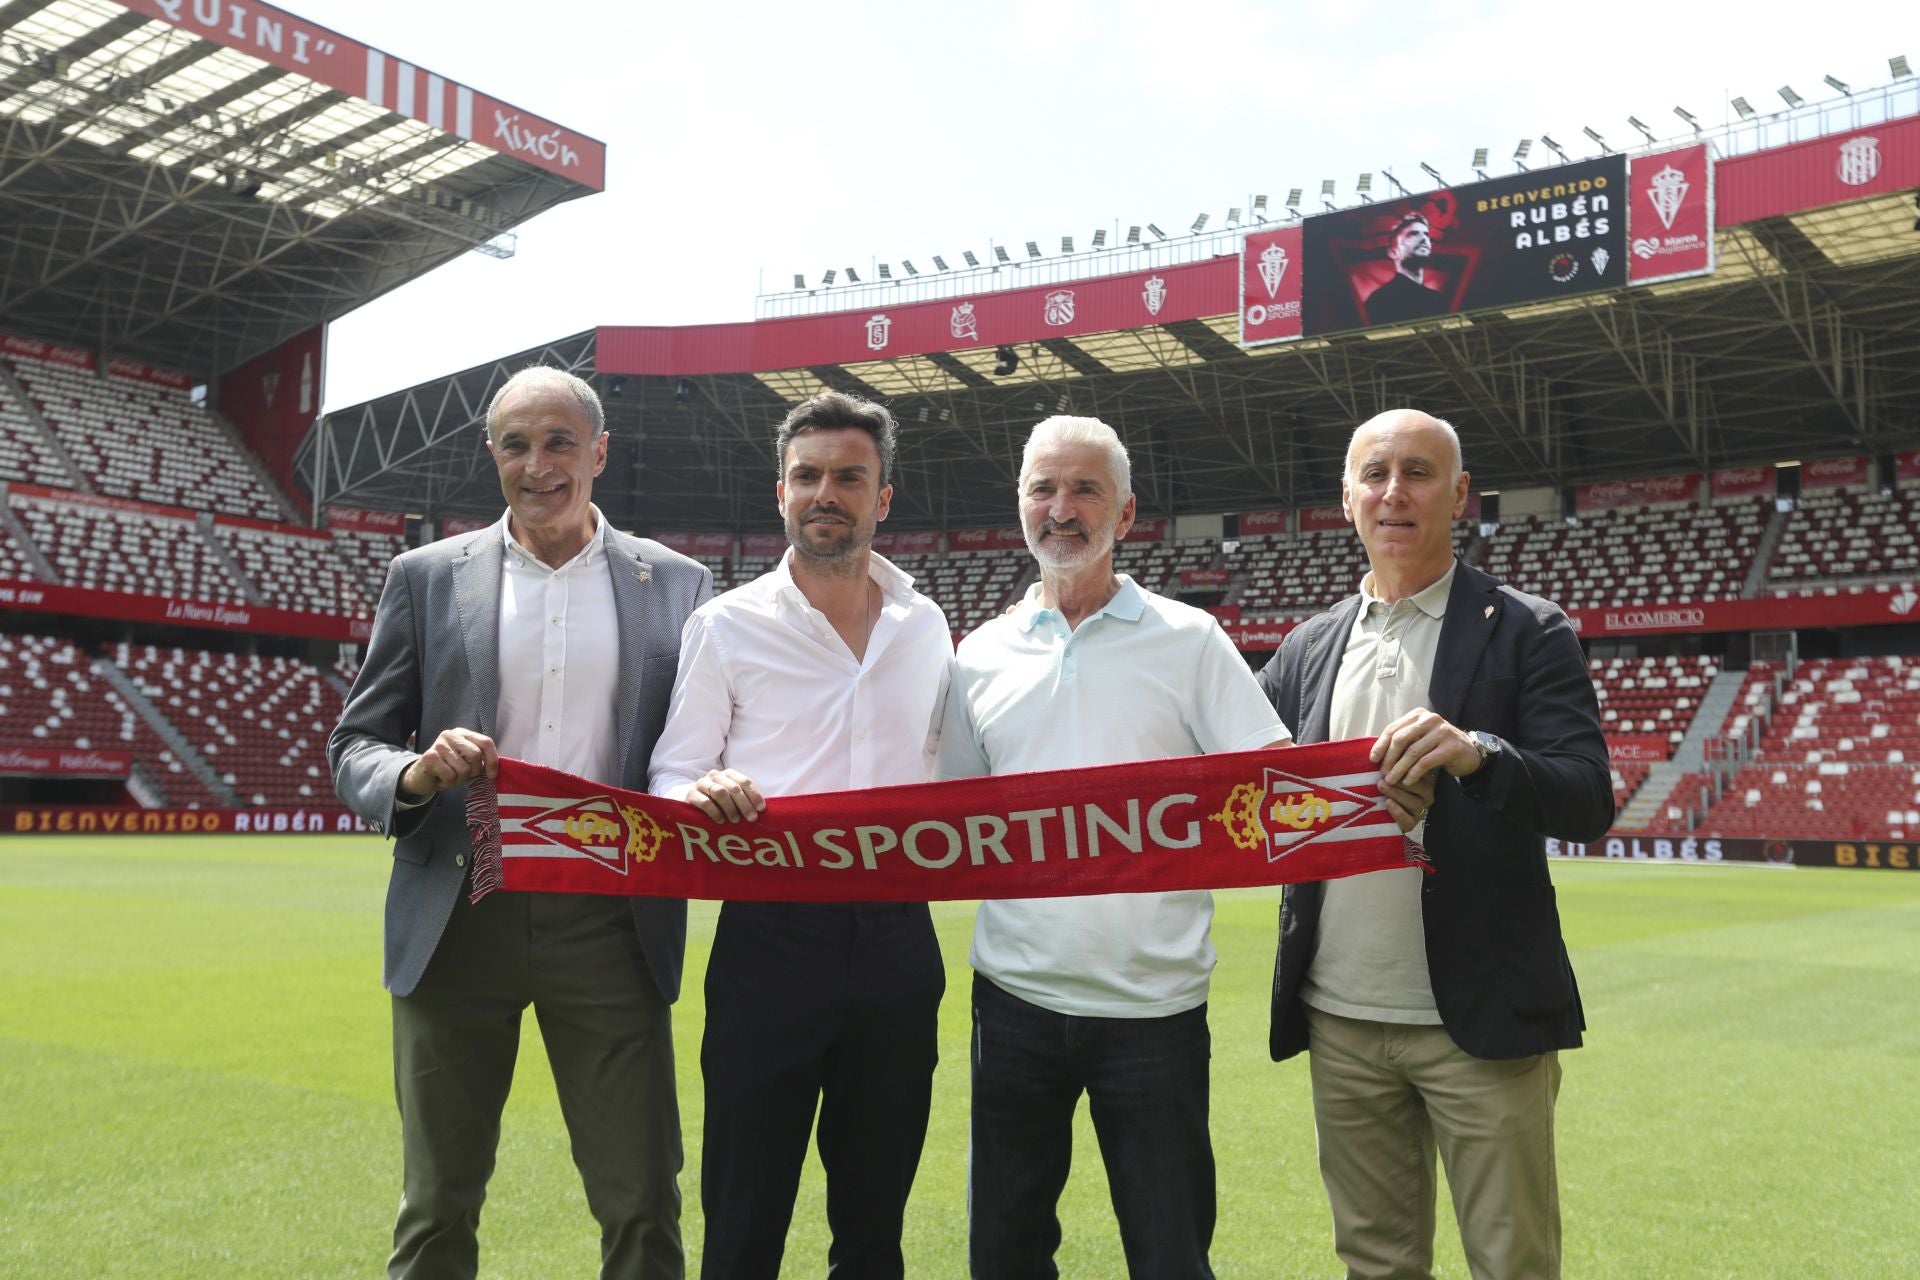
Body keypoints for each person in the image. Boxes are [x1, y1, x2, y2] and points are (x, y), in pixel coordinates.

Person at [329, 365, 712, 1280]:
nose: (538, 465)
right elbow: (355, 745)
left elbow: (698, 743)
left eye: (558, 443)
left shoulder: (679, 585)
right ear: (491, 454)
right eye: (515, 445)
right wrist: (414, 773)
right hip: (457, 914)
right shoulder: (424, 577)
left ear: (599, 453)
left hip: (611, 922)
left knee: (642, 1200)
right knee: (437, 1203)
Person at [938, 416, 1310, 1280]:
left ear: (1127, 513)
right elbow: (957, 821)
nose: (1061, 509)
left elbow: (1277, 784)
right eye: (1043, 488)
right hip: (1014, 1001)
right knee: (1003, 1252)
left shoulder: (1190, 641)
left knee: (1171, 1254)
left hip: (1154, 1010)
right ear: (1019, 502)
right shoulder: (978, 656)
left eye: (1084, 490)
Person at [1255, 408, 1614, 1280]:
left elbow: (1588, 796)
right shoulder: (1307, 646)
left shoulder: (1529, 628)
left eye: (1418, 473)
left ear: (1460, 496)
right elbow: (1237, 783)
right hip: (1340, 1016)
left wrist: (1479, 755)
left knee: (1512, 1263)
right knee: (1375, 1262)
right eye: (1374, 474)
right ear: (1346, 499)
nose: (1393, 492)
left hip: (1480, 1023)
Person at [648, 391, 951, 1280]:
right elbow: (671, 771)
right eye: (809, 475)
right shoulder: (727, 624)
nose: (828, 492)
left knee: (874, 1223)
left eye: (849, 477)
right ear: (779, 492)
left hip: (898, 944)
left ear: (881, 498)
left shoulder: (926, 626)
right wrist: (700, 785)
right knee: (744, 1218)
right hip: (769, 945)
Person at [1363, 212, 1449, 324]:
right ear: (1393, 252)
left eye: (1426, 234)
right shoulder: (1381, 299)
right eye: (1413, 234)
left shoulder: (1437, 299)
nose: (1424, 239)